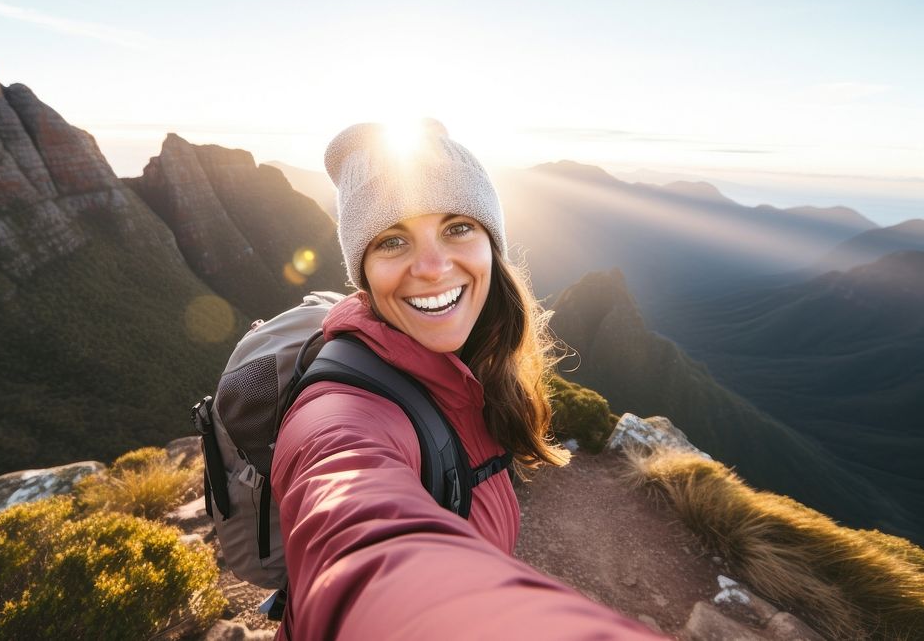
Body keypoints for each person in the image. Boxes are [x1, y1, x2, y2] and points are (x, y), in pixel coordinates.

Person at [270, 120, 664, 640]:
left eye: (457, 227)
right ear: (363, 274)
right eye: (392, 241)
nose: (432, 267)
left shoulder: (474, 367)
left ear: (490, 244)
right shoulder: (339, 416)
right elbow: (358, 534)